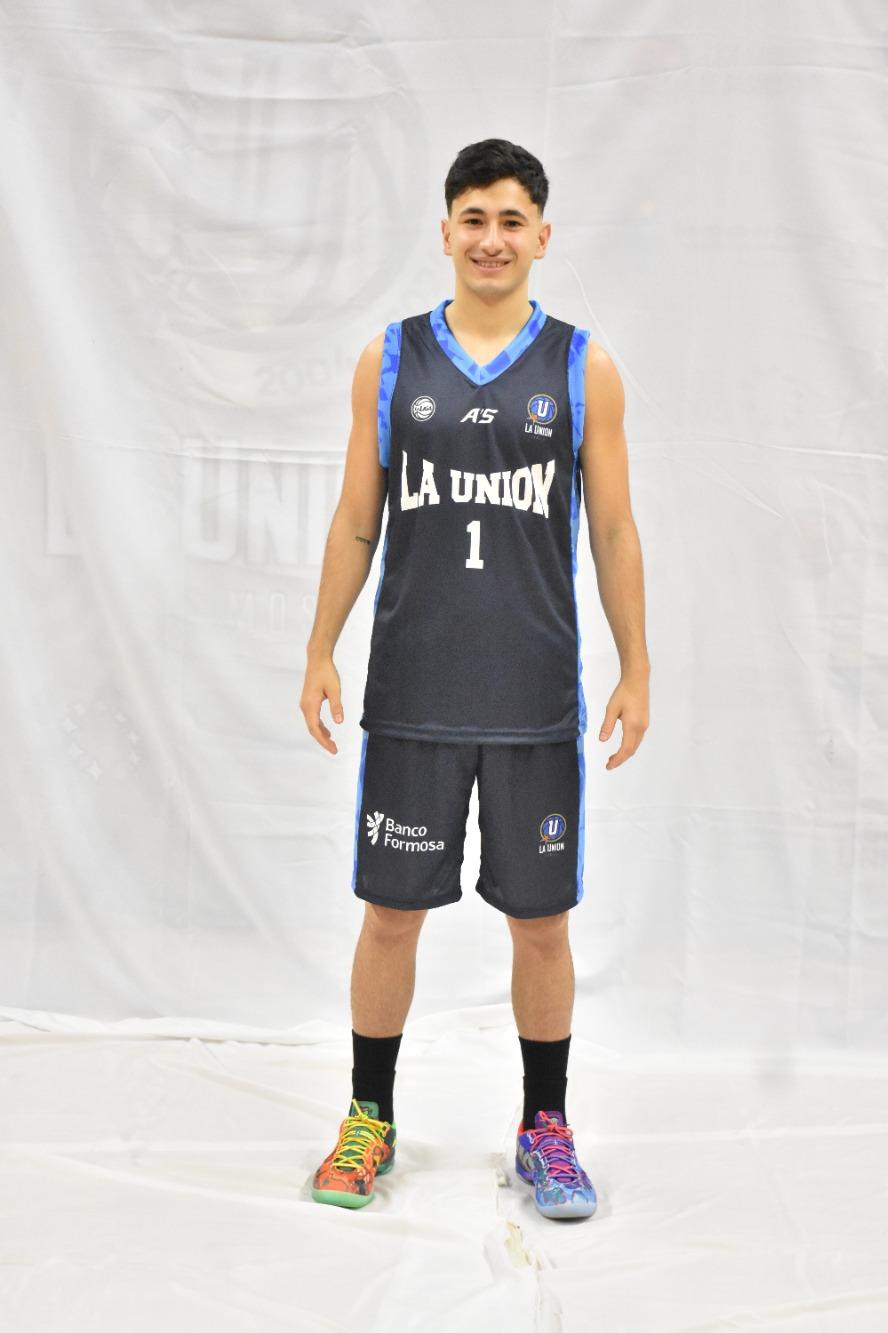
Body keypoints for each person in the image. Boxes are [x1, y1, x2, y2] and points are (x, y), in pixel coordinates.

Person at [300, 138, 649, 1221]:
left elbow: (614, 530)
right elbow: (357, 519)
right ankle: (368, 1116)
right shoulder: (390, 359)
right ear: (444, 230)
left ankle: (545, 1126)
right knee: (389, 916)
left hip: (533, 700)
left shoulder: (583, 368)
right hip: (413, 690)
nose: (491, 239)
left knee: (541, 926)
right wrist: (319, 647)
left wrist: (637, 665)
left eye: (510, 220)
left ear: (542, 235)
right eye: (473, 218)